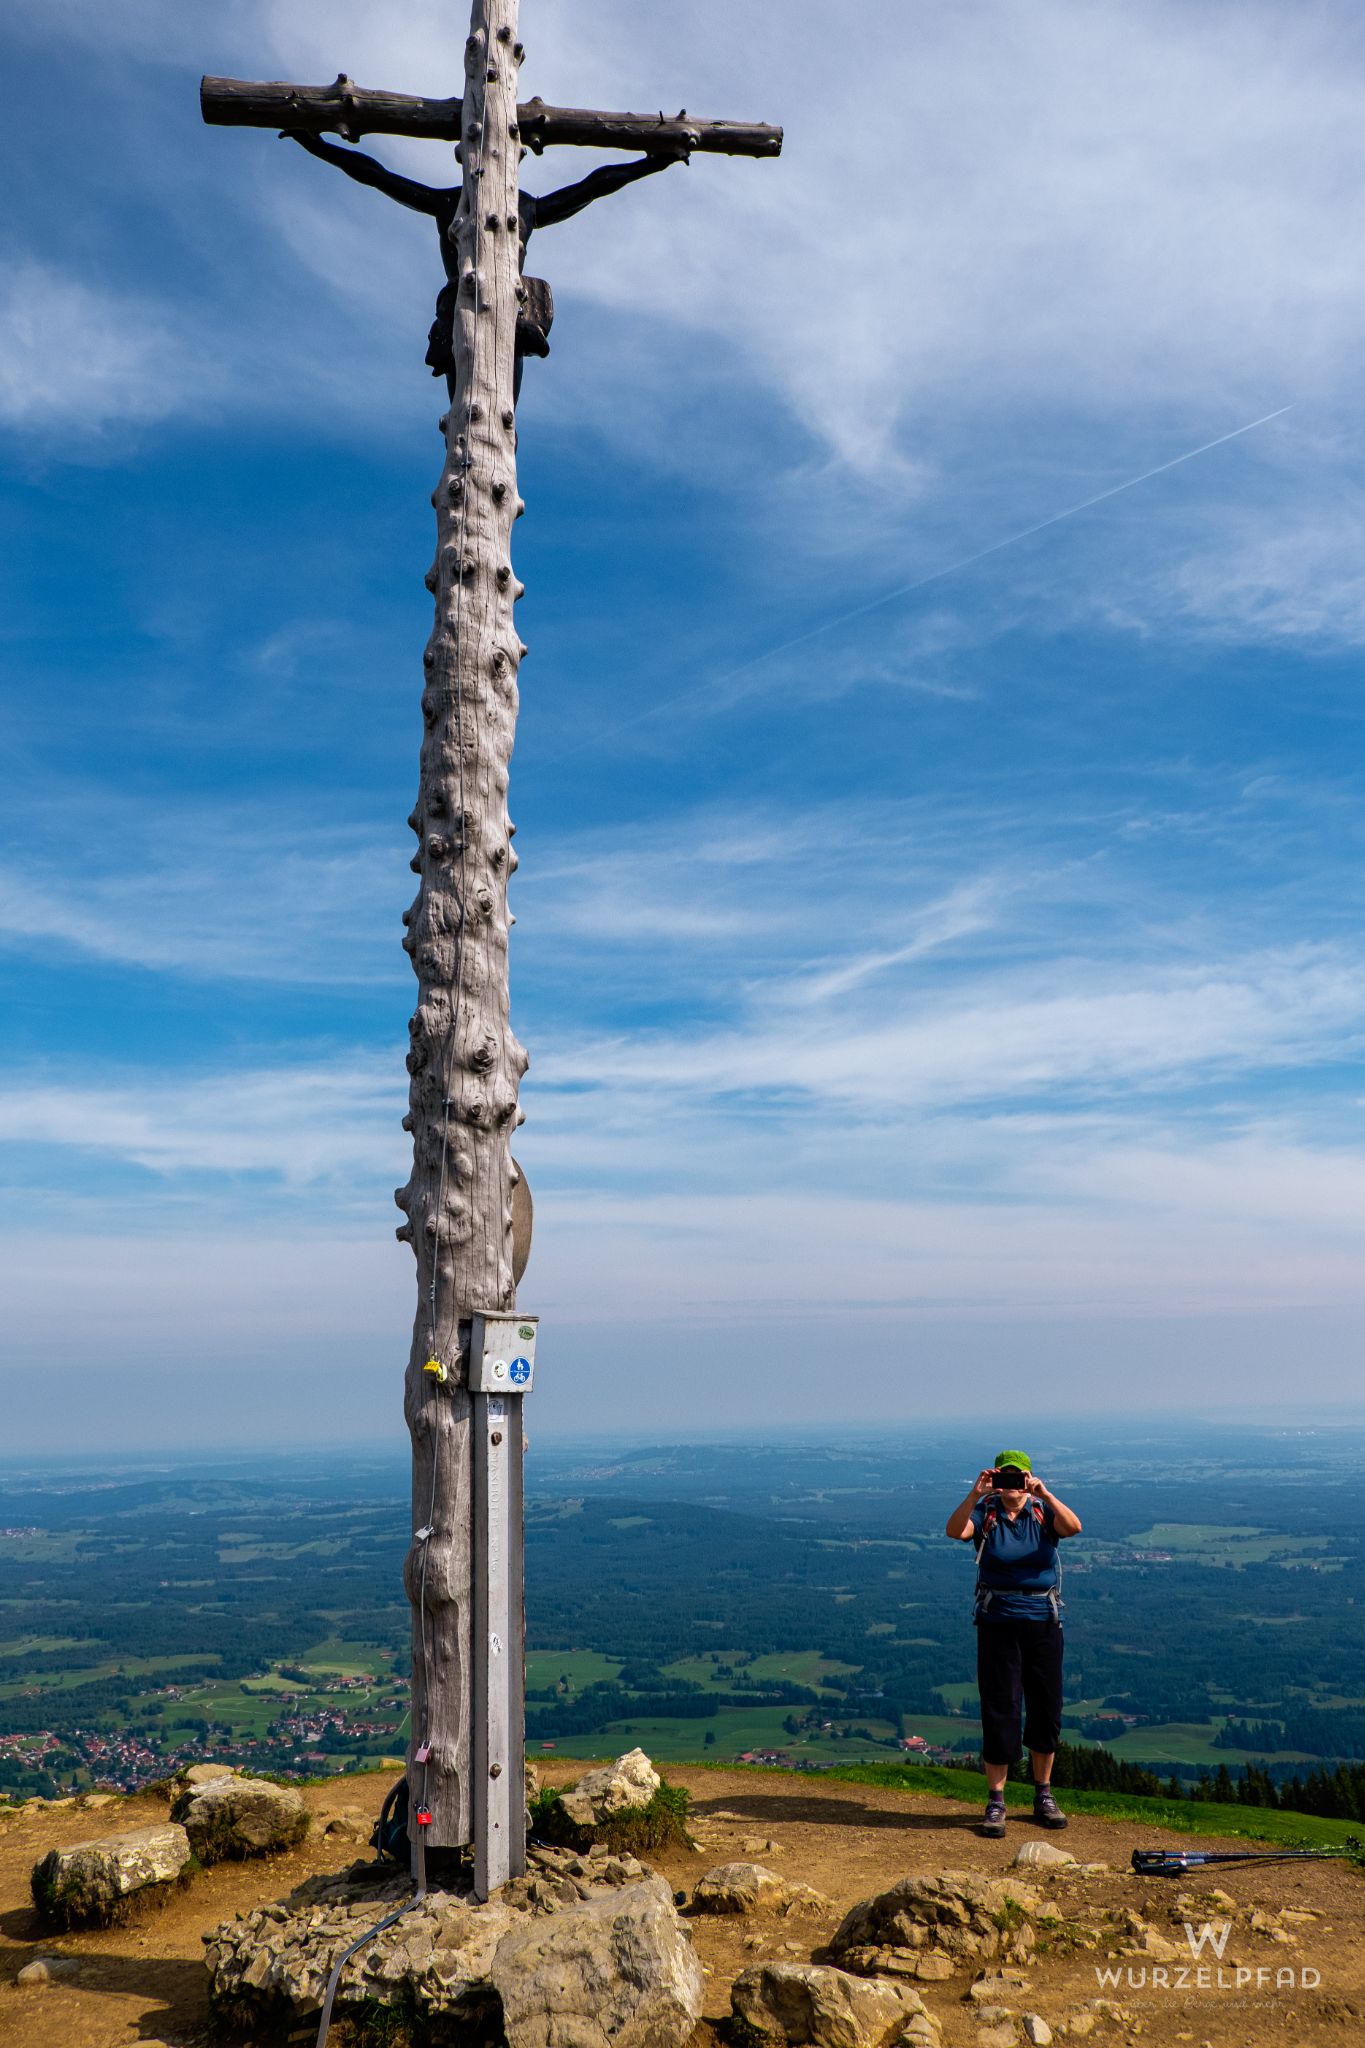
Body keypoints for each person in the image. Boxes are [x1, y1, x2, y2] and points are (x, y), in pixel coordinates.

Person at [283, 132, 686, 398]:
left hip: (511, 304)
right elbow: (374, 174)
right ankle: (453, 354)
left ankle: (526, 331)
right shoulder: (448, 202)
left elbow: (596, 185)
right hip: (462, 302)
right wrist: (312, 141)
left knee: (532, 292)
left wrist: (654, 162)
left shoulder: (525, 206)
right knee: (464, 372)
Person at [945, 1450, 1082, 1838]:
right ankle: (997, 1801)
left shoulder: (1041, 1513)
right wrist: (975, 1494)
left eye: (1018, 1479)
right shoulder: (985, 1513)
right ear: (994, 1480)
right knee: (1000, 1707)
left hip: (1042, 1621)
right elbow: (955, 1532)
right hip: (998, 1622)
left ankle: (1043, 1794)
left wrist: (1046, 1493)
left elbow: (1073, 1527)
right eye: (1005, 1480)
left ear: (1029, 1478)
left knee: (1046, 1706)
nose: (1012, 1488)